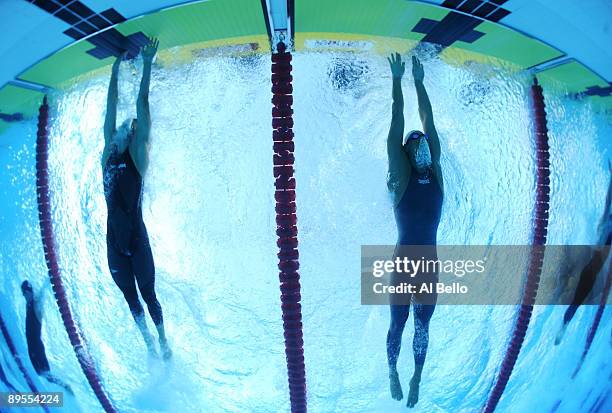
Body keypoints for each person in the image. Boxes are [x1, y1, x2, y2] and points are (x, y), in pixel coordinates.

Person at [103, 38, 171, 360]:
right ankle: (148, 345)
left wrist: (147, 63)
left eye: (133, 127)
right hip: (114, 243)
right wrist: (115, 69)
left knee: (149, 296)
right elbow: (111, 106)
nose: (128, 124)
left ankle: (163, 341)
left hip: (137, 238)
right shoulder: (107, 150)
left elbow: (142, 105)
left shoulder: (138, 155)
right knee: (132, 299)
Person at [385, 53, 444, 408]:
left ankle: (416, 376)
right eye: (414, 142)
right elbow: (398, 120)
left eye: (423, 140)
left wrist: (420, 82)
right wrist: (398, 80)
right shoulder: (401, 177)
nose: (421, 141)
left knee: (422, 326)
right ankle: (392, 370)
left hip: (429, 269)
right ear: (405, 153)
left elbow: (427, 120)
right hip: (402, 267)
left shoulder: (436, 173)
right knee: (399, 325)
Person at [555, 161, 612, 345]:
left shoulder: (605, 224)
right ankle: (565, 319)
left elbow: (607, 204)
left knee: (583, 285)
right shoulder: (606, 226)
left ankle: (565, 320)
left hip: (595, 259)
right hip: (596, 257)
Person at [21, 279, 73, 394]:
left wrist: (49, 280)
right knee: (42, 373)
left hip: (36, 347)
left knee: (43, 372)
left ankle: (66, 386)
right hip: (33, 347)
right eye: (23, 293)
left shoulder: (35, 304)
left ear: (29, 291)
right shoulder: (29, 304)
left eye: (24, 292)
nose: (24, 295)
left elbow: (42, 295)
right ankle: (65, 386)